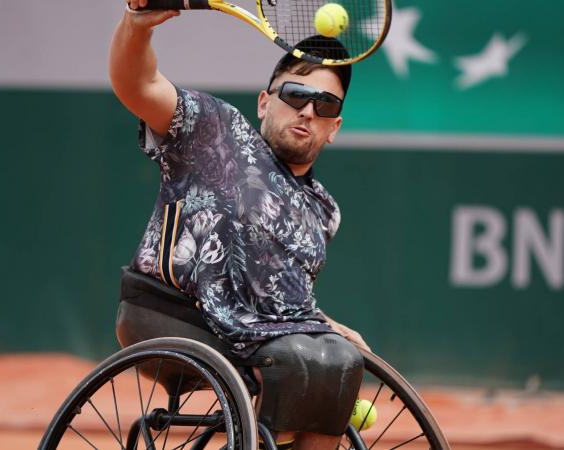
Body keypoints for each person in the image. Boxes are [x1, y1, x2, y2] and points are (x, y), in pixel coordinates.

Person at [110, 3, 371, 449]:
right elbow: (138, 84)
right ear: (265, 101)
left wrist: (327, 326)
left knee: (341, 360)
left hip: (265, 336)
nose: (308, 110)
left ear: (334, 128)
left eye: (324, 104)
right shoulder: (215, 129)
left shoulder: (323, 210)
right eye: (295, 94)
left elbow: (280, 293)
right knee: (300, 361)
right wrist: (135, 25)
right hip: (173, 312)